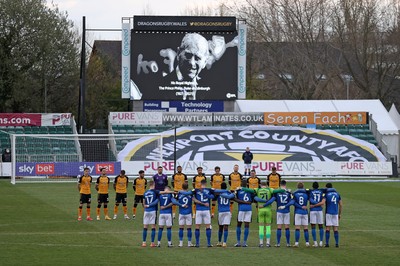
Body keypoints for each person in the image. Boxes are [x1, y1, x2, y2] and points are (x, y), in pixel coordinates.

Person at [164, 33, 210, 100]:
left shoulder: (211, 91)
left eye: (197, 58)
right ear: (178, 53)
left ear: (205, 62)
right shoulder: (157, 86)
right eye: (188, 55)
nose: (192, 63)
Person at [242, 182, 285, 247]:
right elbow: (280, 190)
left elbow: (248, 190)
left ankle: (261, 243)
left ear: (261, 185)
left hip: (260, 210)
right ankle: (268, 243)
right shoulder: (270, 190)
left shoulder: (258, 190)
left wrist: (242, 188)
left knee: (261, 227)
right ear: (266, 185)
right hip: (268, 210)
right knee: (268, 227)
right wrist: (283, 189)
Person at [263, 180, 292, 247]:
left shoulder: (277, 192)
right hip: (286, 211)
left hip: (279, 211)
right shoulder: (288, 192)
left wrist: (264, 205)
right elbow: (291, 201)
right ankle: (288, 243)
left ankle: (278, 243)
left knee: (279, 227)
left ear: (280, 185)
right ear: (285, 184)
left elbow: (271, 200)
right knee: (287, 227)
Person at [281, 182, 310, 247]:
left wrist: (300, 207)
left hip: (298, 212)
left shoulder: (295, 193)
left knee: (297, 228)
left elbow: (293, 202)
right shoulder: (306, 194)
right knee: (305, 228)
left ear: (297, 186)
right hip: (305, 212)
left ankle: (296, 243)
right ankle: (307, 243)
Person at [192, 179, 215, 247]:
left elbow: (191, 197)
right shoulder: (209, 190)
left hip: (198, 210)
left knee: (197, 227)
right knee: (208, 226)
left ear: (200, 183)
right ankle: (208, 243)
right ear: (206, 183)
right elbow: (212, 197)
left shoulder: (196, 190)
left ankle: (197, 243)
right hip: (206, 210)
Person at [319, 183, 342, 248]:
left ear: (327, 188)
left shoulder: (326, 194)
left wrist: (320, 207)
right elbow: (341, 204)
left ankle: (327, 243)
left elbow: (323, 203)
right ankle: (337, 243)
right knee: (335, 228)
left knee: (327, 228)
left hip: (328, 212)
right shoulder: (337, 194)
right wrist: (339, 214)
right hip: (335, 213)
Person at [172, 182, 194, 247]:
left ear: (182, 187)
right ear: (187, 187)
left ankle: (180, 243)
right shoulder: (190, 194)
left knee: (181, 228)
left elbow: (174, 201)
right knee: (189, 228)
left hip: (181, 213)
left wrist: (181, 205)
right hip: (188, 213)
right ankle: (189, 243)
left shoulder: (179, 193)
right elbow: (194, 200)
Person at [234, 180, 254, 247]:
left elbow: (235, 199)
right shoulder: (250, 191)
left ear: (241, 183)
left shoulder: (238, 190)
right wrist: (247, 202)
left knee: (239, 224)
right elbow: (252, 200)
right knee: (247, 225)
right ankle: (245, 243)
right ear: (247, 184)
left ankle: (238, 242)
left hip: (241, 209)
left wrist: (242, 202)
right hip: (249, 209)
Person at [214, 182, 234, 247]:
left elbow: (214, 198)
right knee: (226, 227)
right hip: (227, 211)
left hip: (221, 211)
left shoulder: (218, 193)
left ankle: (219, 242)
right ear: (226, 187)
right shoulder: (228, 192)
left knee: (220, 227)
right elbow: (232, 196)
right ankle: (224, 242)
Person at [142, 181, 160, 247]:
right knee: (153, 227)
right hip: (153, 210)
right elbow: (156, 201)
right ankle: (152, 243)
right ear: (154, 185)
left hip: (146, 211)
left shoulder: (145, 192)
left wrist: (146, 206)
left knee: (145, 227)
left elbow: (143, 203)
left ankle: (144, 242)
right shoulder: (155, 192)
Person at [309, 181, 324, 247]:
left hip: (313, 210)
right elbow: (322, 201)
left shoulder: (311, 192)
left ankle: (315, 242)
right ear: (318, 186)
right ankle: (321, 242)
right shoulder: (321, 192)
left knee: (313, 226)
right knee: (320, 226)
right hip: (319, 210)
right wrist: (319, 204)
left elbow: (311, 200)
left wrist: (314, 205)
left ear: (312, 186)